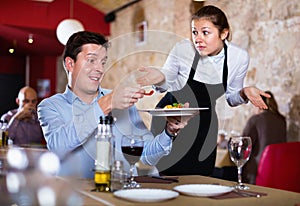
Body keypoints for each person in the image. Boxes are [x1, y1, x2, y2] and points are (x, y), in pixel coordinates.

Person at [137, 5, 270, 176]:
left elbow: (231, 97)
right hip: (171, 117)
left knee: (201, 176)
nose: (198, 39)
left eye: (205, 32)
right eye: (195, 32)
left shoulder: (238, 57)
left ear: (224, 33)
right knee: (167, 176)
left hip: (204, 124)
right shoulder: (183, 49)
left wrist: (244, 92)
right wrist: (159, 77)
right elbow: (168, 76)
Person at [37, 31, 189, 178]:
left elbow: (147, 156)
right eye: (91, 60)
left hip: (124, 195)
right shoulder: (50, 106)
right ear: (70, 63)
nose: (100, 69)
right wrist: (107, 103)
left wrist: (169, 132)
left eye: (103, 62)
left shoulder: (122, 102)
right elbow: (58, 146)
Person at [242, 91, 287, 184]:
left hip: (257, 171)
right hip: (279, 168)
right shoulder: (282, 120)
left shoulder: (255, 120)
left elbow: (244, 144)